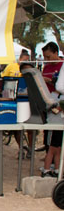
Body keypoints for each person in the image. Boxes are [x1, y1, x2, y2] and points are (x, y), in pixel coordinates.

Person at [41, 42, 64, 177]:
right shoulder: (46, 67)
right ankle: (52, 168)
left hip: (57, 106)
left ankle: (53, 169)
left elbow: (59, 87)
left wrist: (50, 81)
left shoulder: (62, 66)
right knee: (51, 143)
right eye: (45, 57)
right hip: (50, 105)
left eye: (49, 57)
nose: (47, 60)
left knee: (56, 144)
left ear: (56, 53)